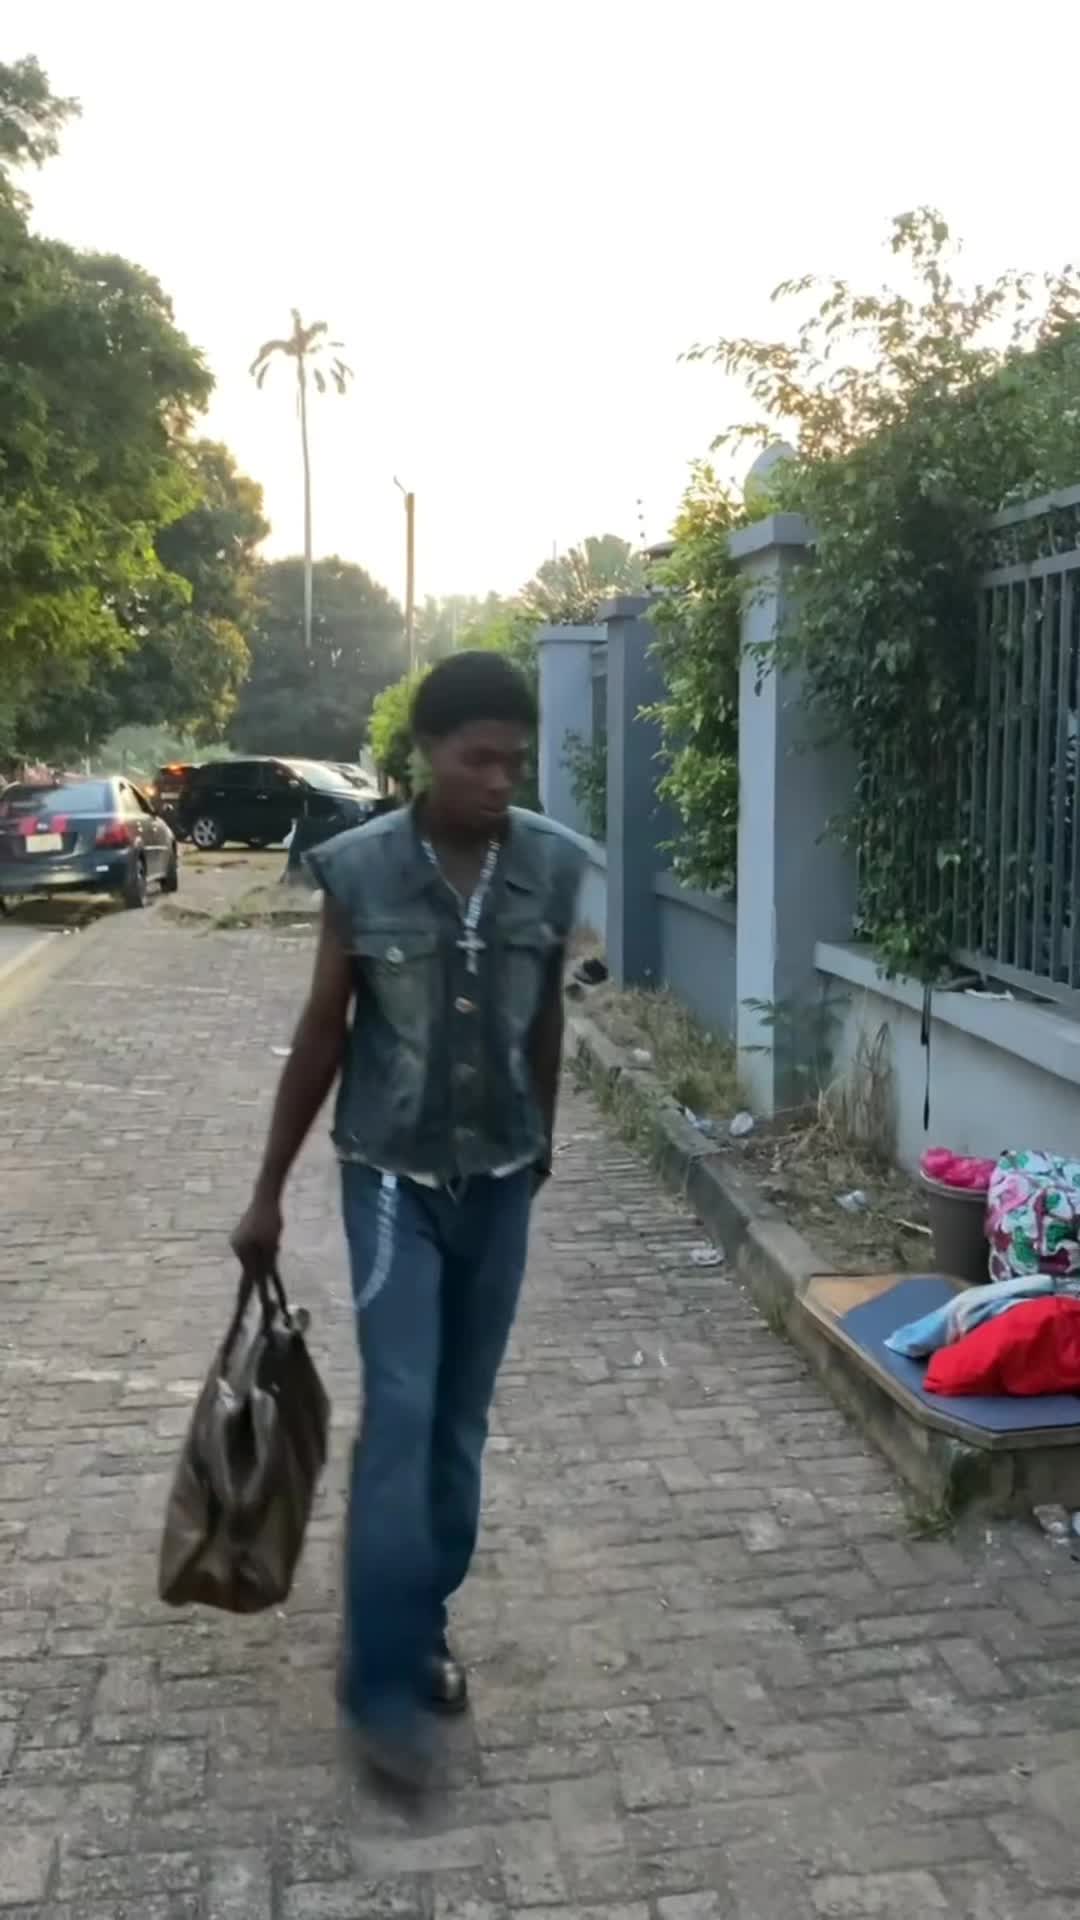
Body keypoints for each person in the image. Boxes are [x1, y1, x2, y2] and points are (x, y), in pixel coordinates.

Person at [232, 650, 586, 1785]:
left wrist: (540, 1145)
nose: (499, 781)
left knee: (459, 1425)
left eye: (515, 762)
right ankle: (381, 1684)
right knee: (402, 1409)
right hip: (389, 1181)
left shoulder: (551, 868)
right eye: (479, 759)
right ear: (428, 754)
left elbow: (545, 1021)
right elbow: (323, 1033)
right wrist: (268, 1190)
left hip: (502, 1183)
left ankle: (422, 1622)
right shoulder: (362, 872)